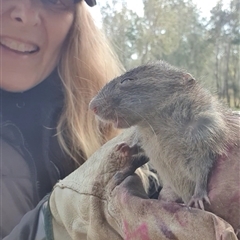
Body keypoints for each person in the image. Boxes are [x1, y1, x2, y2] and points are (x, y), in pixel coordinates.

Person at [0, 0, 238, 239]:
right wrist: (52, 225)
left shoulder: (111, 129)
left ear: (76, 18)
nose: (25, 14)